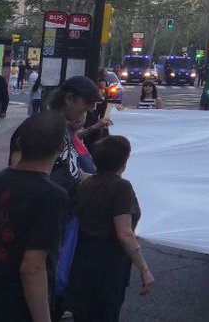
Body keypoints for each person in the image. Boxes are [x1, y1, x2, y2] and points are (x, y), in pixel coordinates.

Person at [67, 135, 155, 320]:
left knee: (83, 313)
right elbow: (124, 234)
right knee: (105, 313)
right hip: (108, 262)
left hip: (82, 258)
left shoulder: (87, 184)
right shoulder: (121, 187)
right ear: (123, 162)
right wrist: (144, 269)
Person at [0, 112, 70, 322]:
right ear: (62, 146)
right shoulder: (52, 196)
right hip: (17, 303)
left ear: (19, 142)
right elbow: (33, 267)